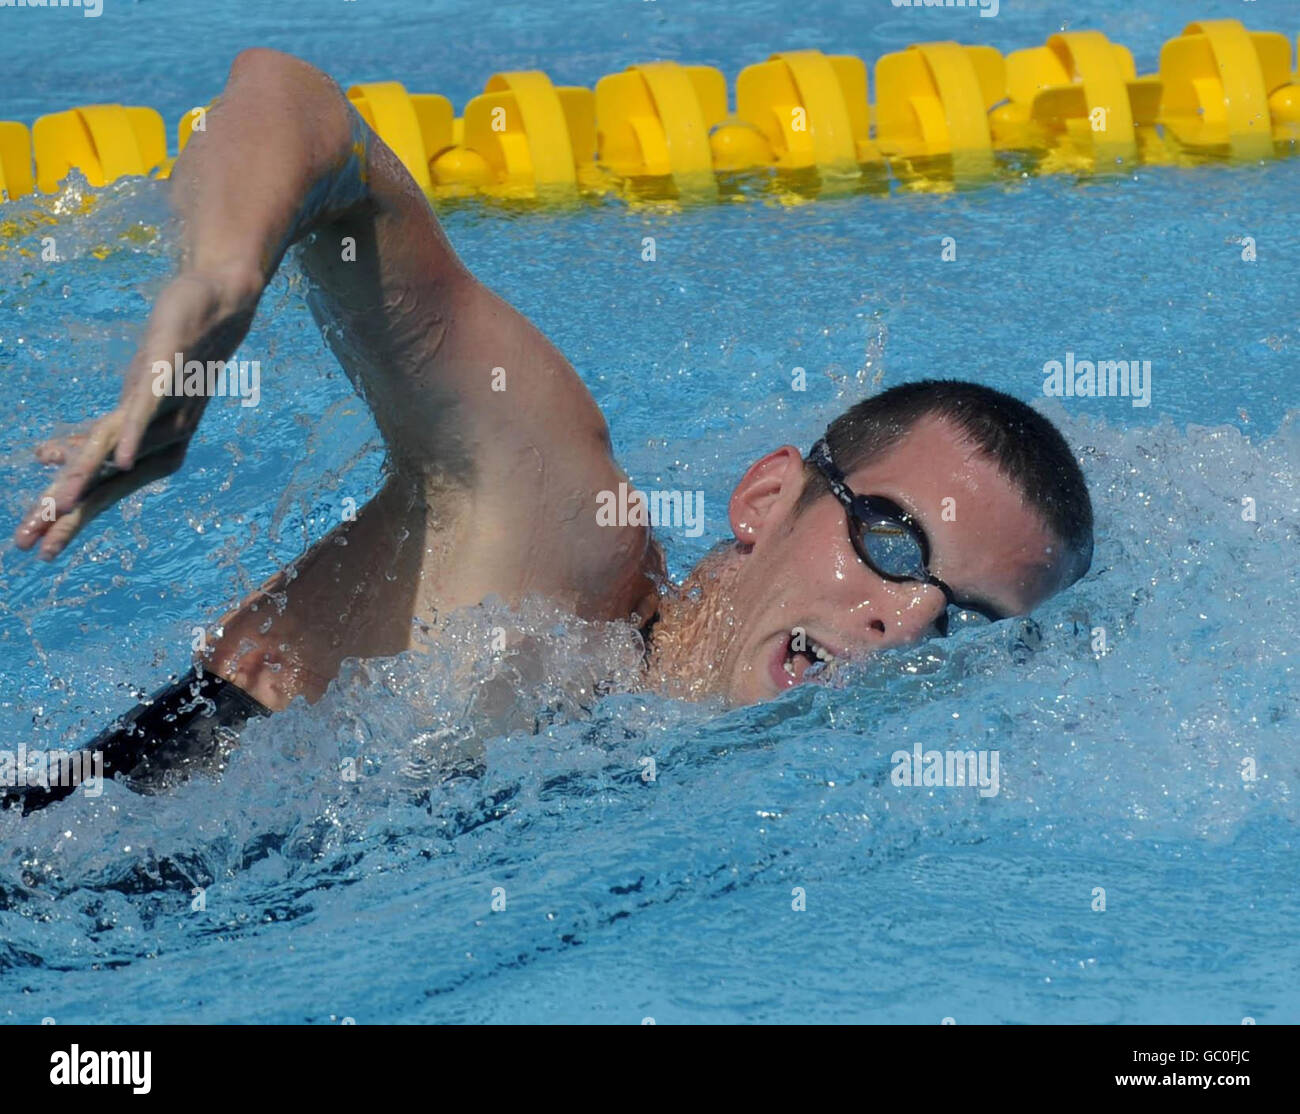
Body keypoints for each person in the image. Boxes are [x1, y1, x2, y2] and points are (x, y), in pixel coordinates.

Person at [7, 49, 1092, 809]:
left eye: (968, 623)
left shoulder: (711, 783)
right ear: (767, 498)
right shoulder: (561, 558)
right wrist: (216, 297)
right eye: (892, 542)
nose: (904, 623)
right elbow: (299, 107)